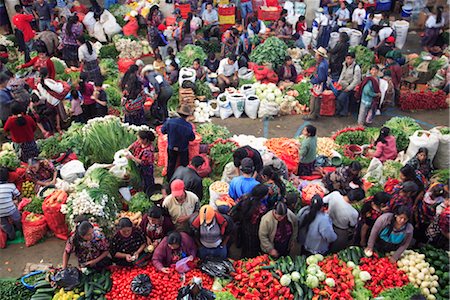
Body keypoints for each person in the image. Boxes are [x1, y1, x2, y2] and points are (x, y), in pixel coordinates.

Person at [233, 184, 269, 258]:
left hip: (243, 226)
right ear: (262, 196)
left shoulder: (244, 197)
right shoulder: (261, 208)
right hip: (253, 231)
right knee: (252, 249)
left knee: (244, 244)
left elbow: (236, 205)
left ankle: (243, 257)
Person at [161, 105, 195, 180]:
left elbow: (163, 131)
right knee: (184, 165)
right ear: (188, 116)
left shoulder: (170, 122)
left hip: (171, 147)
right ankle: (183, 179)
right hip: (183, 149)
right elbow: (192, 138)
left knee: (171, 164)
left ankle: (169, 179)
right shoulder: (188, 126)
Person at [126, 130, 155, 195]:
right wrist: (128, 149)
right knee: (141, 179)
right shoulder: (141, 143)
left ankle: (149, 193)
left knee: (147, 182)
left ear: (145, 140)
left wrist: (132, 157)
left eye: (139, 139)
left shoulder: (148, 151)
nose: (138, 141)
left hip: (146, 168)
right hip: (140, 166)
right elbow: (134, 144)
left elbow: (143, 162)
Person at [303, 47, 329, 120]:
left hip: (318, 85)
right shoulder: (324, 63)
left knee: (314, 100)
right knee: (318, 100)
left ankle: (312, 115)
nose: (315, 56)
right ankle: (316, 114)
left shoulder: (321, 66)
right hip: (321, 84)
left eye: (316, 55)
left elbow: (320, 78)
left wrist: (312, 81)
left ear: (320, 56)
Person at [336, 52, 361, 117]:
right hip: (342, 85)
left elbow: (356, 80)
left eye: (350, 59)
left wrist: (349, 88)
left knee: (341, 98)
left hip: (350, 86)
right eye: (347, 58)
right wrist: (338, 83)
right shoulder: (344, 65)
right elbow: (342, 74)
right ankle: (343, 111)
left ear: (353, 59)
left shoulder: (356, 68)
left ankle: (342, 111)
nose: (349, 60)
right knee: (340, 97)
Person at [0, 167, 21, 241]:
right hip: (10, 209)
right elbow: (18, 194)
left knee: (5, 225)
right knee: (17, 219)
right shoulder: (11, 185)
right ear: (8, 177)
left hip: (0, 213)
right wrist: (17, 201)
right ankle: (21, 229)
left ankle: (12, 236)